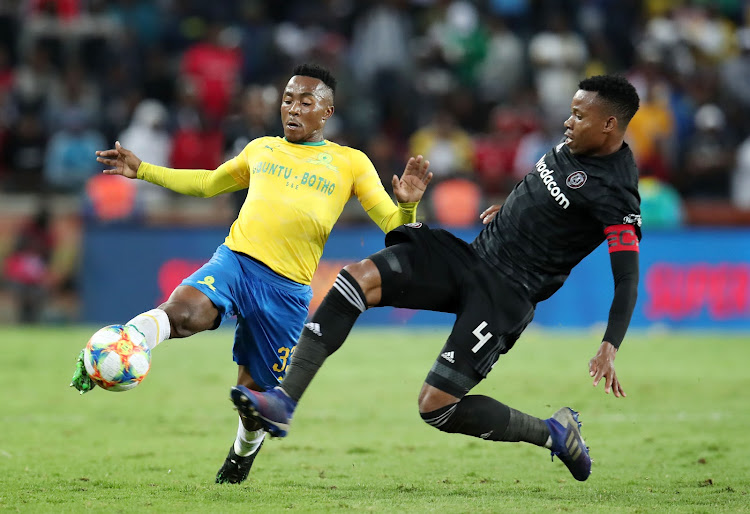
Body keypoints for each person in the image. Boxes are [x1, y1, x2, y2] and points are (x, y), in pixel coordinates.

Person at [231, 75, 642, 483]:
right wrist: (514, 211)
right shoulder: (575, 144)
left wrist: (610, 344)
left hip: (507, 295)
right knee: (356, 279)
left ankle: (553, 432)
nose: (568, 122)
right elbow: (547, 190)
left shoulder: (617, 192)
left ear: (608, 124)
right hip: (474, 256)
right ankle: (283, 402)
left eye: (578, 115)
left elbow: (626, 277)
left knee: (436, 407)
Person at [69, 63, 433, 484]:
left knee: (255, 396)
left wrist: (406, 204)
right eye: (287, 99)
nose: (292, 109)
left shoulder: (350, 163)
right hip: (236, 261)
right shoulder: (261, 149)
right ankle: (121, 345)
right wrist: (144, 170)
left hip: (288, 292)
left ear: (327, 112)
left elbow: (394, 228)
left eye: (305, 101)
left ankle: (240, 457)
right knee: (184, 312)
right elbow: (208, 184)